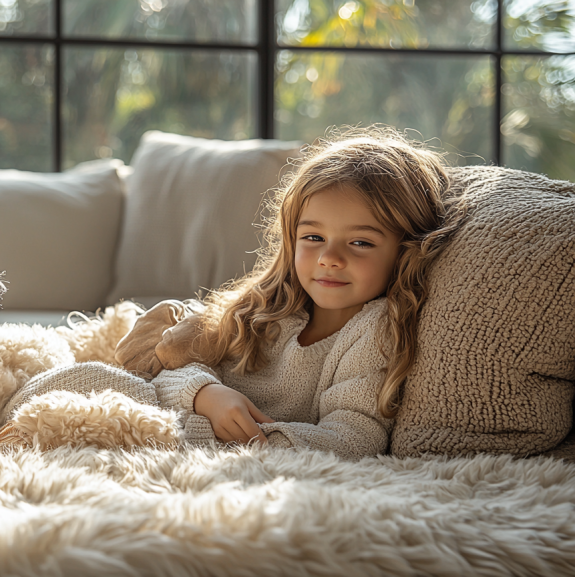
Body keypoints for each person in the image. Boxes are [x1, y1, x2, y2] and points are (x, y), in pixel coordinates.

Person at [133, 126, 467, 459]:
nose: (330, 259)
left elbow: (353, 439)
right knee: (95, 380)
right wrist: (204, 394)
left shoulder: (373, 332)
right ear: (292, 239)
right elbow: (167, 374)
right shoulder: (272, 308)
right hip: (181, 427)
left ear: (405, 250)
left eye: (360, 243)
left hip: (236, 457)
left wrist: (240, 436)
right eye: (313, 238)